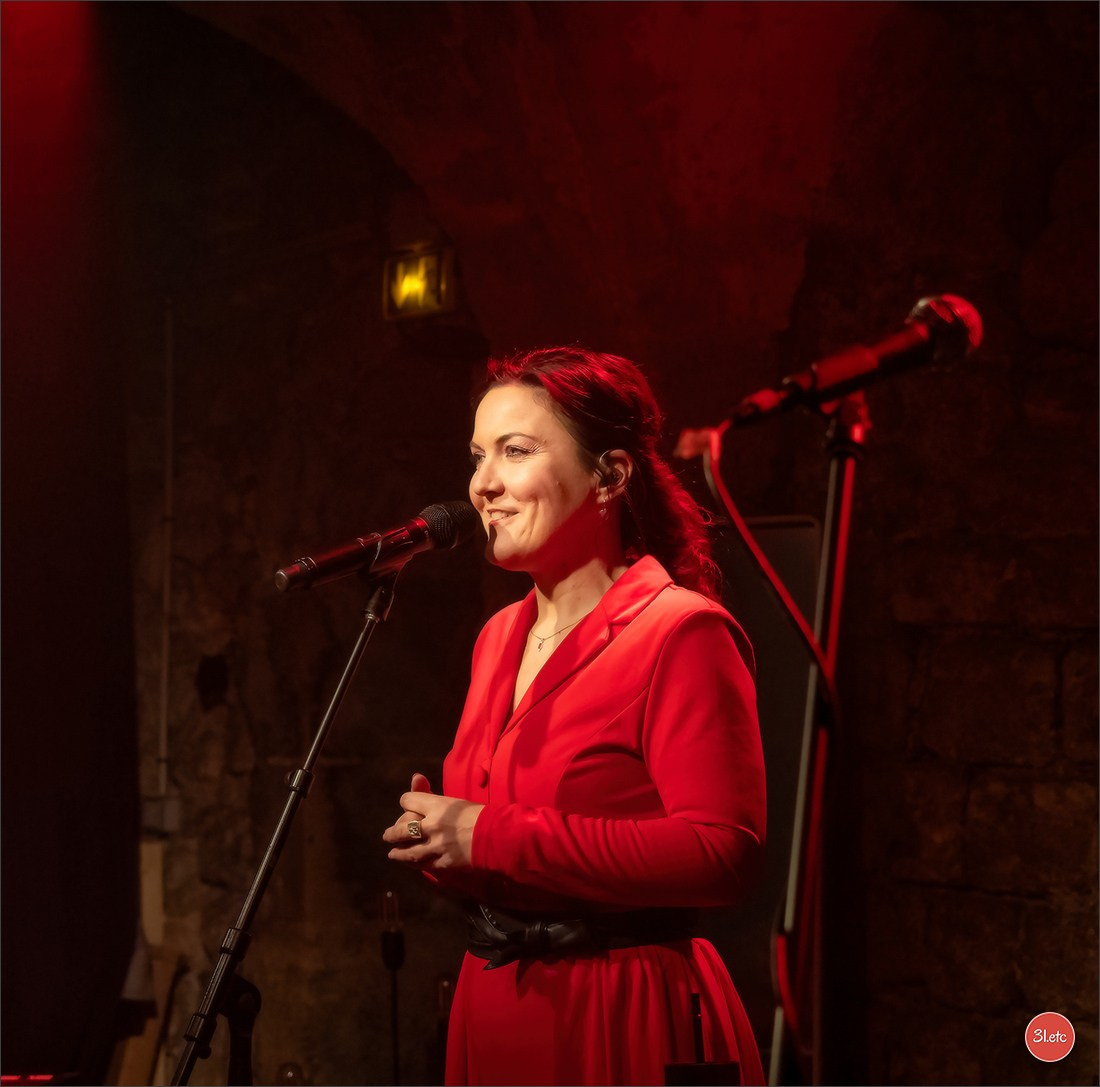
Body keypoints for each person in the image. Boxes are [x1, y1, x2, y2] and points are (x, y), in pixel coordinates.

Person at [383, 347, 766, 1087]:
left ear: (611, 475)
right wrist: (444, 847)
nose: (482, 484)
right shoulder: (498, 638)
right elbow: (503, 851)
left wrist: (486, 832)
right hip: (498, 1003)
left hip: (619, 1004)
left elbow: (724, 853)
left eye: (515, 451)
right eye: (477, 456)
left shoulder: (681, 632)